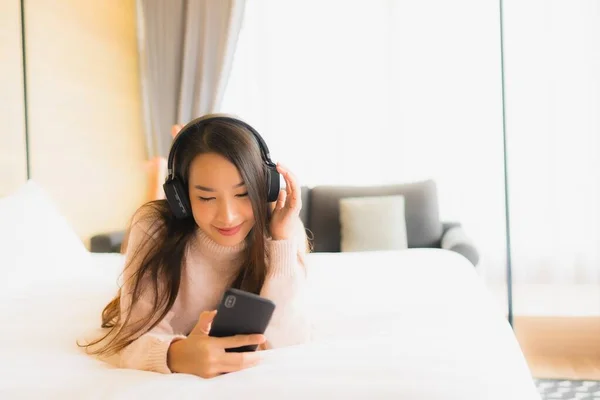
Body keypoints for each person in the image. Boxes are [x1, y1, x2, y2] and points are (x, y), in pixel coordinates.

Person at [82, 114, 312, 378]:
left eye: (243, 193)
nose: (228, 216)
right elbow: (130, 338)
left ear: (266, 187)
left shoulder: (281, 226)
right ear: (180, 197)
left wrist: (281, 240)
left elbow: (290, 340)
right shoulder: (152, 228)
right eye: (206, 197)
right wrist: (177, 355)